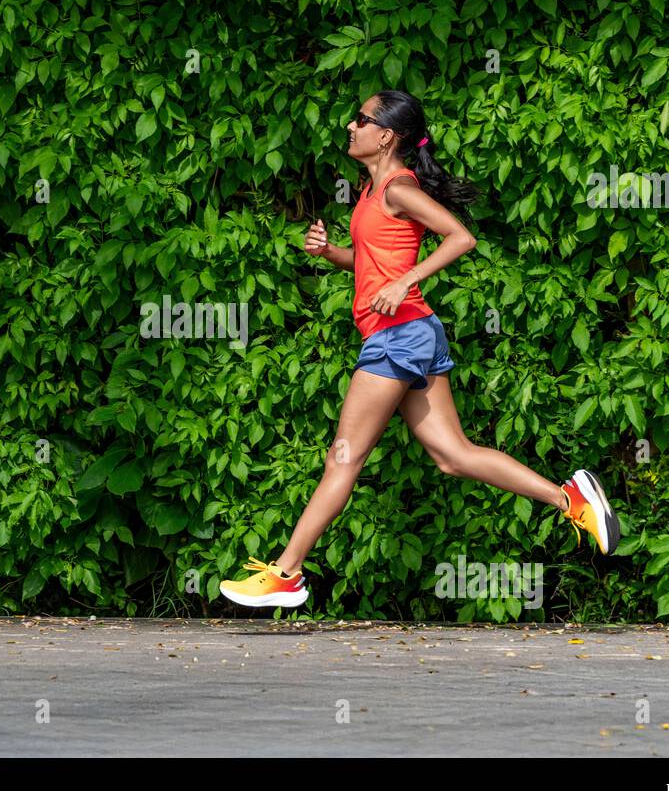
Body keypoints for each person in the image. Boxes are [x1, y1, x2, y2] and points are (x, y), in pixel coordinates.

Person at [219, 90, 620, 608]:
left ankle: (286, 574)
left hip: (397, 337)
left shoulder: (399, 186)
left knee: (343, 457)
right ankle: (570, 499)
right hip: (413, 333)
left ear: (385, 135)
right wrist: (331, 253)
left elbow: (459, 238)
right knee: (453, 456)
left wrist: (404, 279)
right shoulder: (371, 191)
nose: (350, 126)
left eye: (361, 120)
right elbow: (372, 266)